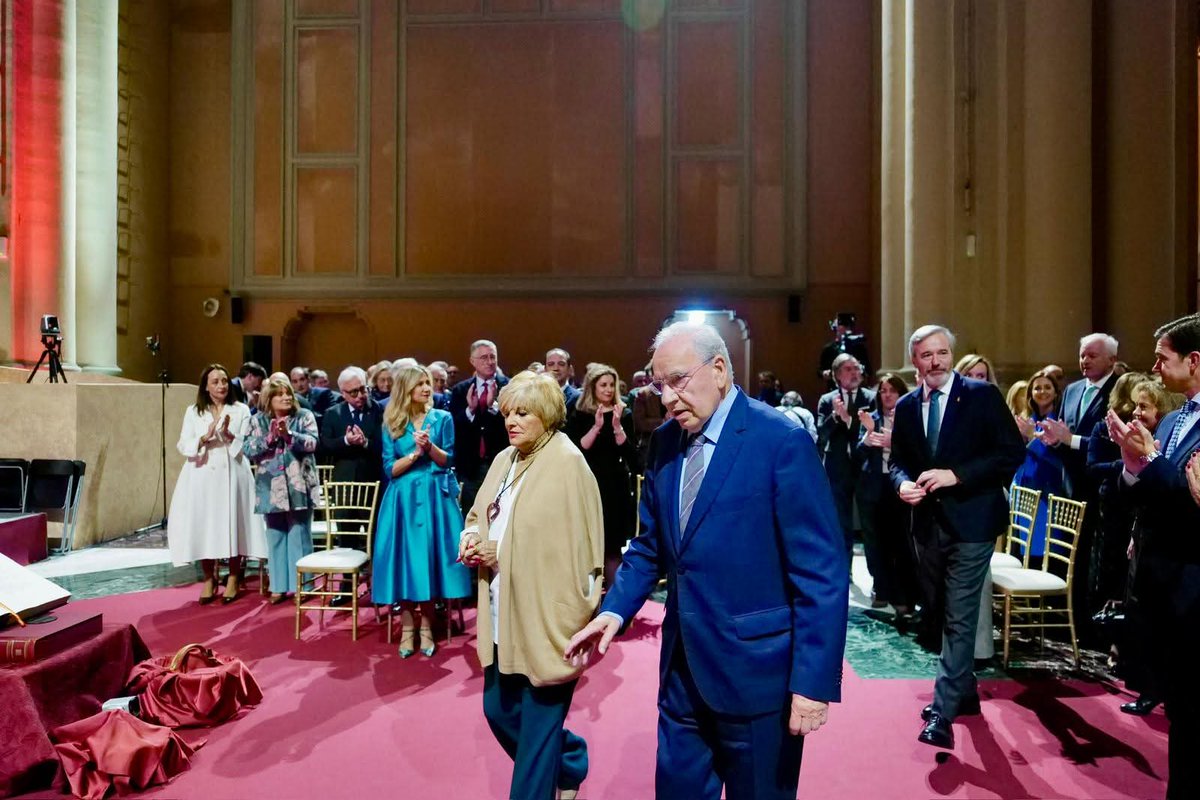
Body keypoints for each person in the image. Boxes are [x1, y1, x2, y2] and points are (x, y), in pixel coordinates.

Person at [565, 321, 848, 800]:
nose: (667, 398)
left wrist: (813, 683)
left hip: (759, 681)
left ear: (719, 370)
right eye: (659, 384)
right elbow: (651, 546)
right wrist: (614, 610)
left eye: (677, 380)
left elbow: (821, 573)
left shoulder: (780, 440)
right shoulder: (664, 442)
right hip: (682, 675)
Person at [457, 370, 604, 800]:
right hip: (502, 614)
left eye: (523, 413)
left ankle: (554, 768)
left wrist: (500, 553)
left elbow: (578, 551)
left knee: (535, 746)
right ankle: (570, 759)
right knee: (498, 710)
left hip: (546, 621)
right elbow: (478, 515)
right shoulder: (505, 458)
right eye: (508, 413)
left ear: (547, 415)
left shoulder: (568, 463)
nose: (511, 421)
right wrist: (471, 539)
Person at [889, 324, 1024, 749]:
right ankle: (964, 692)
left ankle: (942, 713)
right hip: (927, 525)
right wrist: (901, 484)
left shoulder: (981, 395)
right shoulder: (907, 406)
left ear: (951, 354)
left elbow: (1011, 453)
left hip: (974, 523)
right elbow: (897, 462)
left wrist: (957, 475)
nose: (936, 362)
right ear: (914, 361)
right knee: (941, 610)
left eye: (942, 353)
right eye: (926, 355)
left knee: (960, 615)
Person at [1108, 313, 1200, 798]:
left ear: (1194, 360)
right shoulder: (1174, 417)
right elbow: (1151, 493)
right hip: (1161, 579)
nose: (1156, 368)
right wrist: (1131, 465)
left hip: (1194, 582)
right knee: (1179, 708)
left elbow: (1193, 502)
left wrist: (1154, 460)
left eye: (1164, 358)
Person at [373, 364, 471, 658]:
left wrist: (430, 448)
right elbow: (390, 469)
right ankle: (407, 627)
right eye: (420, 384)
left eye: (427, 383)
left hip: (434, 498)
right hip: (402, 500)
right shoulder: (392, 422)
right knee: (402, 561)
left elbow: (448, 460)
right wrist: (415, 453)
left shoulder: (442, 418)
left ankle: (427, 626)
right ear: (406, 389)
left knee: (428, 559)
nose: (427, 388)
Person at [167, 363, 259, 604]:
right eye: (215, 381)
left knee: (234, 523)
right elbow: (183, 443)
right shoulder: (193, 411)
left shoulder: (241, 409)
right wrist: (204, 437)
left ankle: (234, 576)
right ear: (206, 387)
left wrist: (228, 434)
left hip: (233, 472)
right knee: (203, 524)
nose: (221, 385)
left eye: (225, 381)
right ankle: (209, 577)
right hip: (202, 473)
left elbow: (248, 443)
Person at [1119, 378, 1183, 717]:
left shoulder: (1170, 432)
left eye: (1144, 406)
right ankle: (1150, 688)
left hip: (1177, 546)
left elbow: (1175, 489)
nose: (1137, 412)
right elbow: (1147, 493)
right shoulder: (1167, 428)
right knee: (1144, 615)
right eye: (1135, 405)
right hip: (1147, 535)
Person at [245, 377, 321, 604]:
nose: (287, 397)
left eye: (288, 393)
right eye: (280, 394)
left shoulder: (304, 416)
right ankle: (278, 586)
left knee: (299, 534)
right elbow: (248, 449)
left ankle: (302, 586)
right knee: (275, 535)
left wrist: (289, 435)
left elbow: (313, 443)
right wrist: (270, 438)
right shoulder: (257, 421)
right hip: (270, 486)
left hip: (300, 484)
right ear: (269, 399)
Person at [564, 363, 637, 589]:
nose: (608, 389)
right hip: (587, 483)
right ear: (592, 387)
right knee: (586, 546)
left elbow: (632, 455)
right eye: (603, 385)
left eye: (611, 385)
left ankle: (614, 602)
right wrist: (596, 427)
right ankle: (586, 601)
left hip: (615, 487)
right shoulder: (579, 412)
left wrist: (617, 426)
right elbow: (577, 450)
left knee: (612, 548)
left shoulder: (624, 413)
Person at [855, 372, 917, 614]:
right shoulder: (871, 418)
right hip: (874, 486)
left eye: (892, 390)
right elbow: (857, 454)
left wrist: (893, 442)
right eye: (883, 390)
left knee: (901, 541)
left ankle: (902, 594)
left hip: (900, 485)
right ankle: (881, 588)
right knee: (875, 542)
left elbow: (917, 452)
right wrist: (868, 438)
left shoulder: (909, 417)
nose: (887, 395)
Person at [817, 353, 876, 567]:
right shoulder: (827, 400)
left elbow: (871, 429)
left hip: (865, 466)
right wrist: (835, 417)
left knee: (869, 522)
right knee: (841, 521)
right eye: (849, 369)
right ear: (837, 375)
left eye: (857, 368)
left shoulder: (870, 398)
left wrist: (848, 420)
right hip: (838, 469)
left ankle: (876, 574)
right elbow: (821, 434)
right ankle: (844, 570)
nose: (855, 373)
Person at [1011, 370, 1068, 561]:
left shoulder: (1058, 421)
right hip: (1022, 491)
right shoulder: (1029, 419)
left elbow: (1056, 459)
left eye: (1047, 387)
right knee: (1020, 552)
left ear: (1056, 392)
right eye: (1037, 388)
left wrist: (1033, 437)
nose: (1042, 392)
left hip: (1046, 493)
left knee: (1040, 553)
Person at [449, 340, 511, 513]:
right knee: (471, 512)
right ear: (472, 361)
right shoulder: (460, 390)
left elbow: (514, 421)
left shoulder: (509, 387)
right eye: (484, 358)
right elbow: (454, 426)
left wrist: (493, 407)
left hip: (500, 462)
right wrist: (470, 410)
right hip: (470, 467)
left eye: (493, 357)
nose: (490, 362)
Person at [819, 311, 871, 389]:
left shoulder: (859, 348)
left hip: (856, 389)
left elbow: (868, 370)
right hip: (835, 389)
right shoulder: (829, 349)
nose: (847, 329)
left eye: (848, 326)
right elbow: (820, 370)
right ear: (836, 328)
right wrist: (825, 373)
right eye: (843, 326)